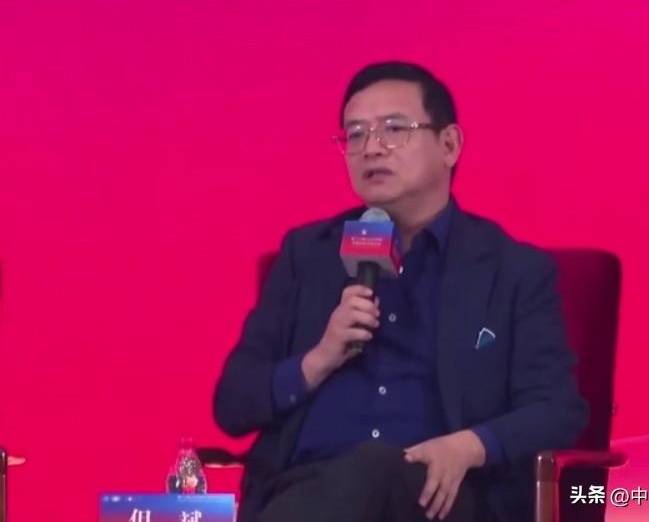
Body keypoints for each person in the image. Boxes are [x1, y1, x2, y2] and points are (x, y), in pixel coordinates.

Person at [213, 61, 588, 522]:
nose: (371, 148)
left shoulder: (513, 271)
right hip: (305, 488)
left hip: (439, 498)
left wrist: (469, 446)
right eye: (355, 134)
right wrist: (318, 360)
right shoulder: (306, 256)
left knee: (375, 466)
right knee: (354, 477)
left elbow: (557, 410)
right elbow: (231, 405)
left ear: (449, 145)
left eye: (394, 129)